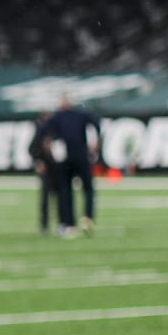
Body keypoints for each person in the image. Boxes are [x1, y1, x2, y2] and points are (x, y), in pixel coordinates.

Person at [38, 93, 103, 236]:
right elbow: (98, 125)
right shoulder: (81, 114)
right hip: (81, 156)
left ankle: (69, 224)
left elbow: (43, 132)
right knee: (88, 188)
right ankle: (87, 217)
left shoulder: (57, 117)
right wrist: (96, 144)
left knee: (65, 191)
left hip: (64, 158)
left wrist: (47, 149)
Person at [28, 110, 65, 235]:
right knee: (45, 198)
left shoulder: (58, 130)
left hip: (58, 168)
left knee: (61, 197)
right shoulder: (41, 131)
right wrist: (38, 161)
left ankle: (62, 222)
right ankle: (44, 225)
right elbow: (32, 148)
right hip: (47, 169)